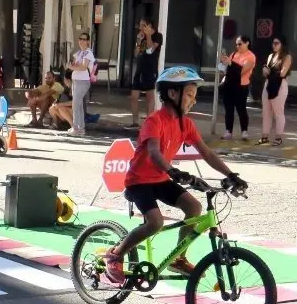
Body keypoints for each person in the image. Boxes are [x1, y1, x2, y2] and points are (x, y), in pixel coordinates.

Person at [102, 67, 248, 284]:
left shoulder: (186, 124)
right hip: (139, 181)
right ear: (173, 94)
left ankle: (178, 258)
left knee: (194, 208)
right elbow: (154, 151)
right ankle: (115, 254)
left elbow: (206, 152)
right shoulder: (155, 120)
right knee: (155, 222)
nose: (193, 100)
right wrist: (172, 170)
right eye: (189, 95)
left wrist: (231, 174)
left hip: (160, 180)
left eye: (194, 96)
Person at [220, 35, 256, 140]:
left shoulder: (250, 56)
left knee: (241, 109)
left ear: (247, 43)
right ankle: (228, 131)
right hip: (229, 84)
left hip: (241, 86)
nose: (237, 46)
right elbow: (227, 70)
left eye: (240, 44)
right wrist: (224, 63)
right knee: (228, 109)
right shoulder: (234, 54)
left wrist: (231, 63)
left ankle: (244, 131)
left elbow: (243, 71)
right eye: (236, 44)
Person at [259, 36, 293, 146]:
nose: (274, 45)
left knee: (278, 112)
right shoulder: (270, 56)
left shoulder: (287, 57)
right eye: (273, 43)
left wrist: (270, 72)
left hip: (280, 85)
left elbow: (283, 73)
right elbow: (266, 72)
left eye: (276, 43)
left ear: (282, 44)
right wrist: (265, 69)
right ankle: (264, 136)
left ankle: (278, 137)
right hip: (268, 84)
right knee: (266, 111)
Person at [130, 19, 162, 129]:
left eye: (143, 25)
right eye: (140, 25)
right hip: (139, 69)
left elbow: (150, 50)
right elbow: (135, 54)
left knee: (150, 97)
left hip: (150, 69)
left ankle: (148, 123)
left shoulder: (158, 36)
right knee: (134, 96)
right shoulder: (140, 36)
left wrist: (148, 36)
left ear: (149, 25)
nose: (141, 28)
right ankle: (135, 122)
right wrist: (138, 41)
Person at [67, 32, 97, 134]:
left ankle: (77, 127)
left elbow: (83, 67)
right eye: (81, 39)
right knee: (78, 104)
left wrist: (72, 67)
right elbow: (76, 64)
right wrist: (73, 66)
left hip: (83, 81)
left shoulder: (88, 53)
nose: (82, 41)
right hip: (76, 80)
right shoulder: (79, 53)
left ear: (88, 41)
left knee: (76, 104)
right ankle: (80, 128)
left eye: (85, 39)